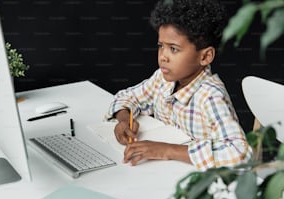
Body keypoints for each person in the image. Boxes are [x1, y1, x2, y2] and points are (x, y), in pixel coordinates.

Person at [105, 0, 252, 171]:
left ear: (205, 56)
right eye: (161, 46)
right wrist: (124, 119)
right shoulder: (162, 78)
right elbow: (127, 96)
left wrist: (167, 150)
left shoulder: (210, 96)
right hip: (162, 172)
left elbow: (240, 153)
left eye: (173, 49)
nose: (163, 57)